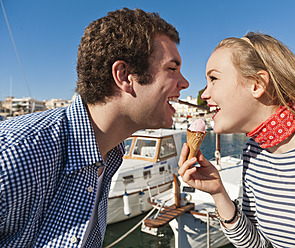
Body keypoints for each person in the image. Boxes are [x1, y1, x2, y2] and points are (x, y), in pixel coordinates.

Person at [0, 8, 188, 247]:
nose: (185, 83)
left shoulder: (110, 156)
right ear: (125, 76)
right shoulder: (14, 154)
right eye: (172, 69)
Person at [178, 32, 295, 247]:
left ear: (257, 84)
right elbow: (259, 244)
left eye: (213, 79)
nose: (204, 94)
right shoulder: (253, 154)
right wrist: (218, 193)